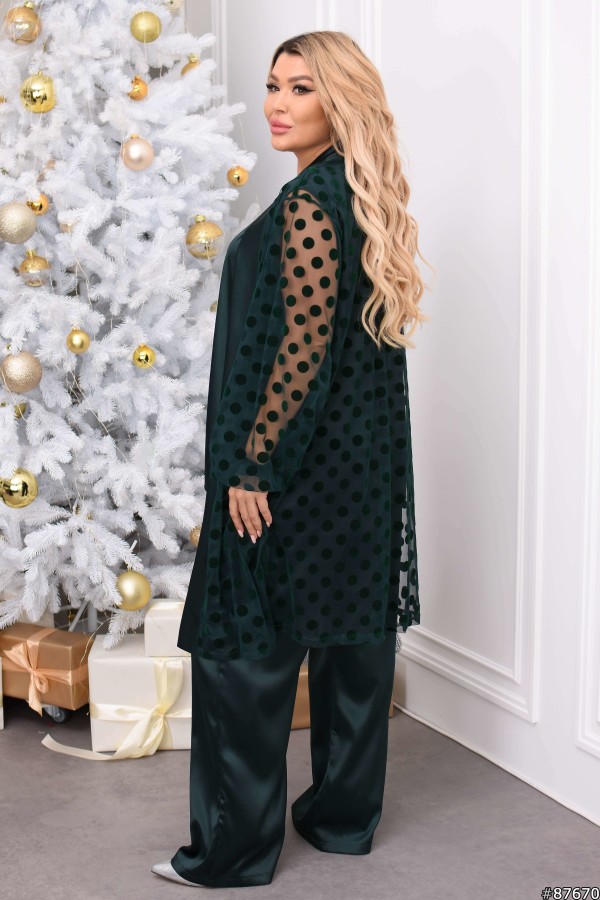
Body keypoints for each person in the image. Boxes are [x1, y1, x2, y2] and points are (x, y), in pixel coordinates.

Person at [152, 29, 430, 889]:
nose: (277, 103)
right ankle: (340, 822)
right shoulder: (358, 195)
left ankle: (232, 852)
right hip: (362, 472)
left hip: (296, 470)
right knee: (351, 650)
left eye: (300, 88)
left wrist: (254, 466)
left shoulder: (309, 204)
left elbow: (299, 352)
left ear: (339, 102)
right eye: (274, 85)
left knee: (242, 660)